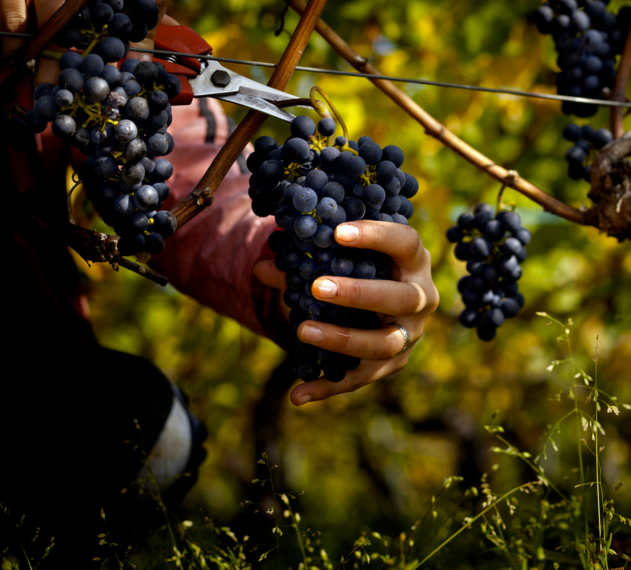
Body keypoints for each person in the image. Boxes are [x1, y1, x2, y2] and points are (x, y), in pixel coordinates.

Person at [0, 1, 439, 564]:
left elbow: (188, 175)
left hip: (32, 354)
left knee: (148, 434)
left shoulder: (88, 39)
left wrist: (308, 280)